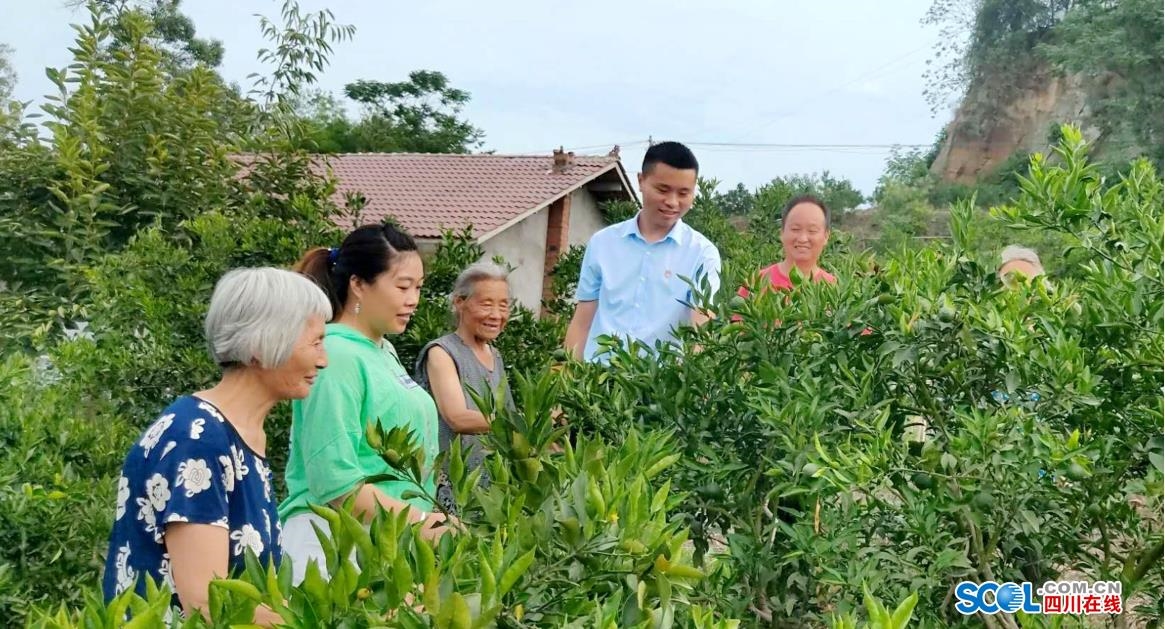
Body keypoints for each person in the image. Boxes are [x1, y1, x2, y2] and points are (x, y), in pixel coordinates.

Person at [103, 268, 330, 625]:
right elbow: (208, 601)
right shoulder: (198, 439)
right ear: (262, 344)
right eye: (315, 342)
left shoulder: (237, 433)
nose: (323, 359)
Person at [280, 223, 452, 585]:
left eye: (419, 288)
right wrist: (424, 523)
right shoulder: (337, 355)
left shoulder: (382, 351)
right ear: (358, 284)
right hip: (332, 549)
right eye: (402, 286)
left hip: (384, 543)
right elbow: (333, 479)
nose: (413, 299)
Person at [564, 141, 722, 362]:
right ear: (641, 180)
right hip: (599, 380)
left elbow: (701, 328)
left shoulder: (702, 253)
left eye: (683, 193)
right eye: (663, 190)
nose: (672, 202)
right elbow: (583, 320)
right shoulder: (603, 243)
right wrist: (568, 375)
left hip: (663, 385)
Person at [415, 262, 516, 514]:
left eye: (503, 305)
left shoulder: (495, 355)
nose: (496, 314)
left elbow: (505, 415)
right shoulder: (441, 353)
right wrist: (523, 424)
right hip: (451, 486)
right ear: (460, 302)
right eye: (486, 304)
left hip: (490, 486)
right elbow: (457, 417)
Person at [739, 194, 836, 299]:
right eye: (795, 229)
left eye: (812, 231)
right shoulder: (755, 283)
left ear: (826, 236)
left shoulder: (834, 288)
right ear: (782, 233)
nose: (802, 239)